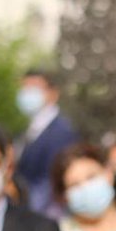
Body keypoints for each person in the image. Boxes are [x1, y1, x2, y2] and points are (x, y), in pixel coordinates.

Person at [14, 68, 80, 218]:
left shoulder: (61, 131)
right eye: (25, 87)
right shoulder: (29, 129)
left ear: (53, 93)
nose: (28, 93)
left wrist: (28, 214)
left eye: (34, 88)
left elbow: (51, 181)